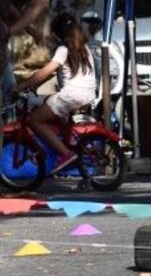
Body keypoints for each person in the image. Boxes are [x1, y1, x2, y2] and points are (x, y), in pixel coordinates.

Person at [15, 13, 97, 173]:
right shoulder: (83, 47)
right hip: (87, 94)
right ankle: (70, 139)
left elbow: (44, 72)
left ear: (57, 34)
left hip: (71, 95)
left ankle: (66, 154)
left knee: (34, 120)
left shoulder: (63, 49)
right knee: (49, 105)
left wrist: (23, 85)